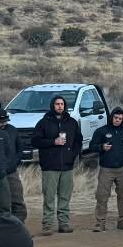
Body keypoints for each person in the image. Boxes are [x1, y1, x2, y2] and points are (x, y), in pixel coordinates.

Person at [32, 96, 82, 236]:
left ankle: (63, 224)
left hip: (67, 166)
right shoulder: (43, 123)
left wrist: (72, 155)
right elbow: (35, 141)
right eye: (57, 104)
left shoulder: (72, 123)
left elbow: (78, 140)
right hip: (50, 166)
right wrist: (53, 142)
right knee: (49, 197)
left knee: (65, 196)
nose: (60, 106)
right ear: (52, 105)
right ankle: (47, 225)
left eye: (62, 104)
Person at [90, 106, 123, 232]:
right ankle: (100, 223)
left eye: (120, 118)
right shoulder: (101, 131)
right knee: (102, 196)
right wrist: (101, 147)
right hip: (106, 169)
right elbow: (92, 146)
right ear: (111, 117)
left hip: (122, 169)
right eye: (116, 118)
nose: (117, 120)